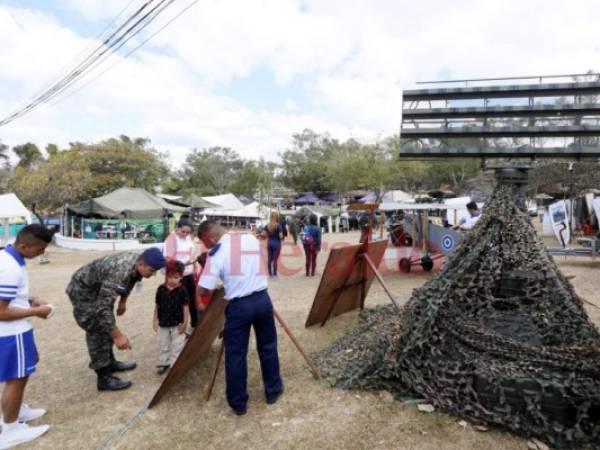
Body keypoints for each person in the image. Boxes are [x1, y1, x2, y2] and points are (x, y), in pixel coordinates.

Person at [196, 221, 283, 416]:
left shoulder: (216, 254)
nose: (206, 247)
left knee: (236, 355)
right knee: (268, 346)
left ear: (210, 237)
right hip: (262, 299)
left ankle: (238, 403)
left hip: (239, 307)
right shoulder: (250, 239)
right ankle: (273, 391)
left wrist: (203, 280)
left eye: (204, 242)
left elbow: (204, 290)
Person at [66, 248, 166, 391]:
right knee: (97, 328)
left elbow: (131, 280)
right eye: (152, 270)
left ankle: (110, 363)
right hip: (83, 291)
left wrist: (123, 302)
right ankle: (103, 377)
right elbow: (102, 309)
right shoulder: (120, 271)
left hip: (99, 288)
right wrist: (118, 336)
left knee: (106, 322)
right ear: (141, 264)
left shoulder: (138, 263)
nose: (154, 274)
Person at [0, 225, 53, 449]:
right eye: (39, 250)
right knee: (17, 377)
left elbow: (9, 296)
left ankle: (17, 409)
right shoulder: (10, 268)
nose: (41, 254)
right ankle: (10, 429)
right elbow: (1, 312)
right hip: (12, 332)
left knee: (27, 366)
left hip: (15, 331)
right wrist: (36, 311)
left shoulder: (7, 257)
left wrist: (30, 300)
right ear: (23, 246)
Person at [153, 261, 189, 375]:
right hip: (163, 323)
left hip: (177, 324)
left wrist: (185, 322)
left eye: (176, 277)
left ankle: (175, 365)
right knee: (164, 344)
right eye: (170, 277)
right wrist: (155, 319)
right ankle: (164, 363)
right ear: (166, 276)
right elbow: (157, 305)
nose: (172, 279)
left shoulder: (183, 290)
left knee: (177, 345)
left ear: (181, 277)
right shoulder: (160, 289)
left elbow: (186, 307)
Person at [163, 217, 199, 326]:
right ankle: (179, 324)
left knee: (192, 298)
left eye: (188, 232)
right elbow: (168, 259)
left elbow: (192, 252)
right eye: (183, 231)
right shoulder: (171, 239)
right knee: (179, 300)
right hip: (177, 275)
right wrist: (182, 265)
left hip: (189, 273)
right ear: (177, 228)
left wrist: (194, 265)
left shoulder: (188, 238)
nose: (185, 234)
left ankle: (195, 323)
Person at [264, 212, 284, 278]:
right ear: (277, 217)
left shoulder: (267, 225)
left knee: (269, 259)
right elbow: (281, 236)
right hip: (276, 243)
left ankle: (270, 274)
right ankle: (275, 274)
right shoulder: (278, 226)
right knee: (275, 259)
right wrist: (282, 237)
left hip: (269, 242)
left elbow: (265, 235)